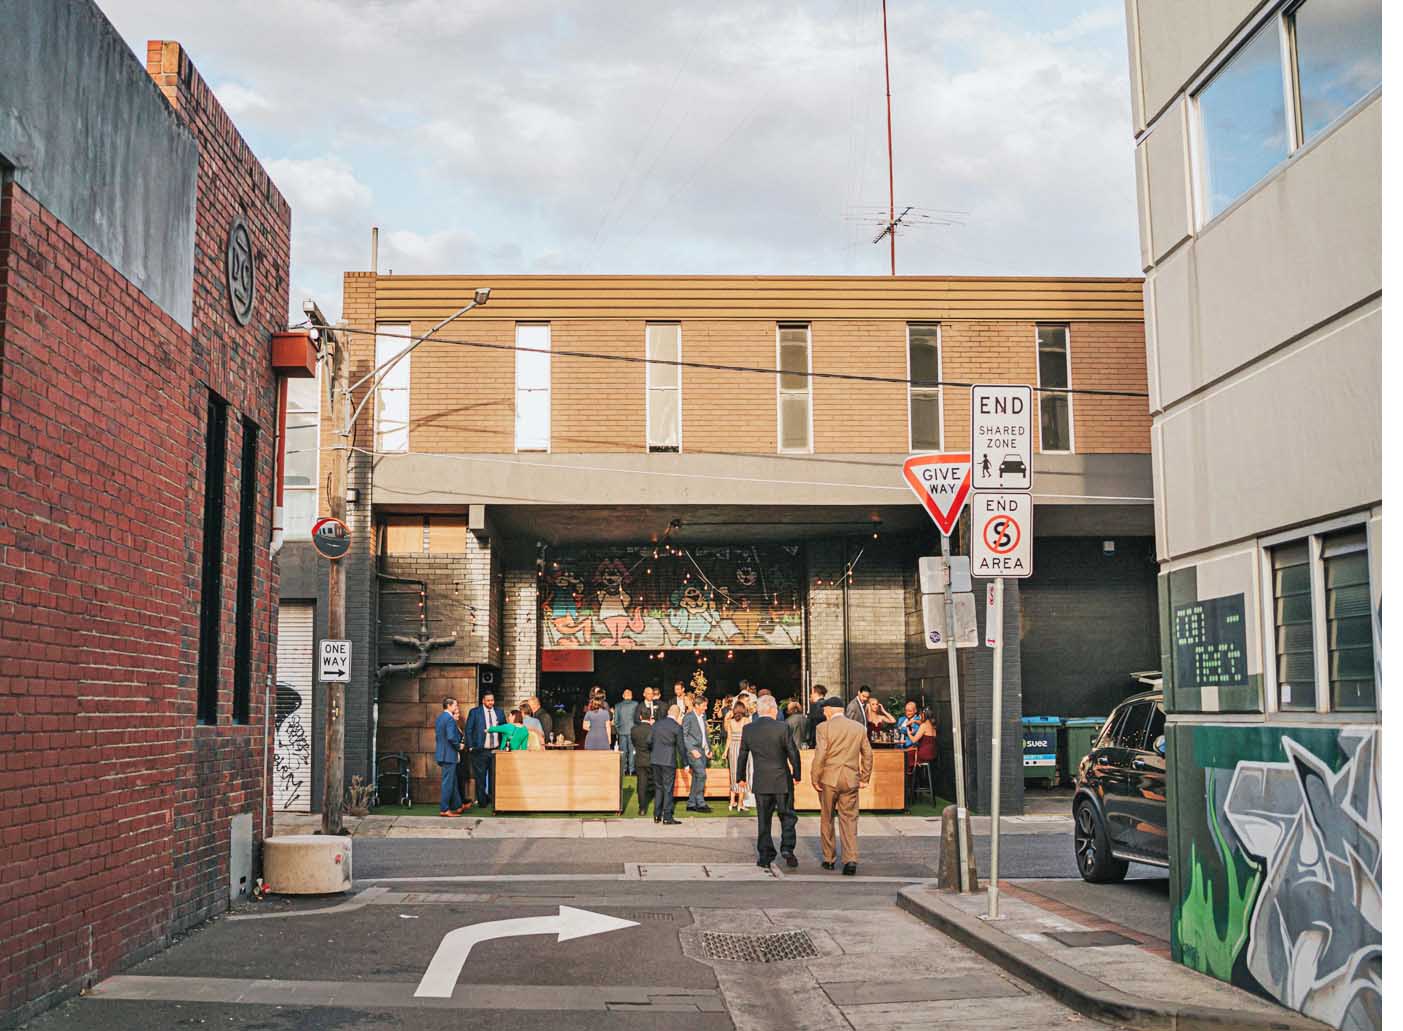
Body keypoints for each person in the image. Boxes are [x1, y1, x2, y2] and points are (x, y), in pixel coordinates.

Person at [736, 695, 802, 869]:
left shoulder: (749, 729)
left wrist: (740, 777)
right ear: (773, 709)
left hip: (761, 779)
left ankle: (765, 855)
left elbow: (742, 754)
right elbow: (792, 752)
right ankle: (787, 848)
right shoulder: (782, 727)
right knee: (787, 815)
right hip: (781, 778)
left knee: (763, 819)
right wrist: (797, 774)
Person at [811, 696, 872, 875]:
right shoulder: (859, 728)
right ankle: (850, 859)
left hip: (829, 779)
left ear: (830, 709)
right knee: (849, 819)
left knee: (827, 818)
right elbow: (867, 754)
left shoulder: (823, 728)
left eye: (824, 709)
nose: (823, 712)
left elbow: (820, 755)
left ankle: (829, 859)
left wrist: (815, 778)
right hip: (851, 778)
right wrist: (865, 778)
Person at [465, 691, 507, 809]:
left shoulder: (499, 712)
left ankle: (494, 800)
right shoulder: (474, 712)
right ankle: (482, 802)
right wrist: (471, 746)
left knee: (494, 776)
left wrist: (503, 747)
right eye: (488, 700)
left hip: (495, 750)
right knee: (480, 777)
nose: (491, 703)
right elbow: (468, 730)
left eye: (492, 700)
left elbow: (504, 729)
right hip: (480, 750)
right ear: (483, 700)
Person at [649, 704, 686, 824]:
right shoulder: (677, 727)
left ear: (669, 711)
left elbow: (648, 741)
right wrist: (686, 763)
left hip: (655, 760)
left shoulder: (657, 724)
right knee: (668, 789)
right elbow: (681, 747)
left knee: (658, 788)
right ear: (678, 714)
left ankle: (656, 815)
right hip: (668, 761)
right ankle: (667, 817)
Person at [434, 697, 468, 816]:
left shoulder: (440, 718)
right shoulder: (449, 719)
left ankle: (458, 806)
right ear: (449, 706)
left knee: (451, 781)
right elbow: (450, 737)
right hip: (449, 755)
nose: (456, 707)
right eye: (455, 705)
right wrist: (459, 746)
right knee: (448, 783)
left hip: (443, 754)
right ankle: (444, 809)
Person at [682, 695, 711, 812]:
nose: (706, 708)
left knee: (696, 777)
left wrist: (708, 749)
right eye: (704, 705)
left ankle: (691, 803)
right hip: (693, 751)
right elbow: (683, 735)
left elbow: (705, 735)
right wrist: (691, 750)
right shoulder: (688, 717)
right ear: (697, 705)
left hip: (702, 751)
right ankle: (700, 803)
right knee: (702, 774)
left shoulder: (702, 717)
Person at [724, 698, 751, 812]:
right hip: (743, 748)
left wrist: (725, 751)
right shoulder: (746, 720)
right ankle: (740, 804)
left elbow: (729, 738)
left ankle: (731, 802)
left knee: (733, 774)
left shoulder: (730, 721)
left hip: (733, 748)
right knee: (742, 774)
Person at [631, 711, 655, 816]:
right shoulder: (653, 729)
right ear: (650, 717)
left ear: (640, 717)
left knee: (641, 784)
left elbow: (634, 743)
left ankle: (642, 808)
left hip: (640, 759)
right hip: (651, 759)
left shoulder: (634, 730)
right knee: (656, 782)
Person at [614, 687, 640, 774]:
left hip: (622, 732)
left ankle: (624, 770)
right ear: (631, 696)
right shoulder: (636, 704)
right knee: (632, 751)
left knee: (623, 752)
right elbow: (637, 719)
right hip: (632, 731)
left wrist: (618, 730)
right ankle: (631, 770)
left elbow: (616, 721)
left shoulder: (618, 706)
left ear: (623, 696)